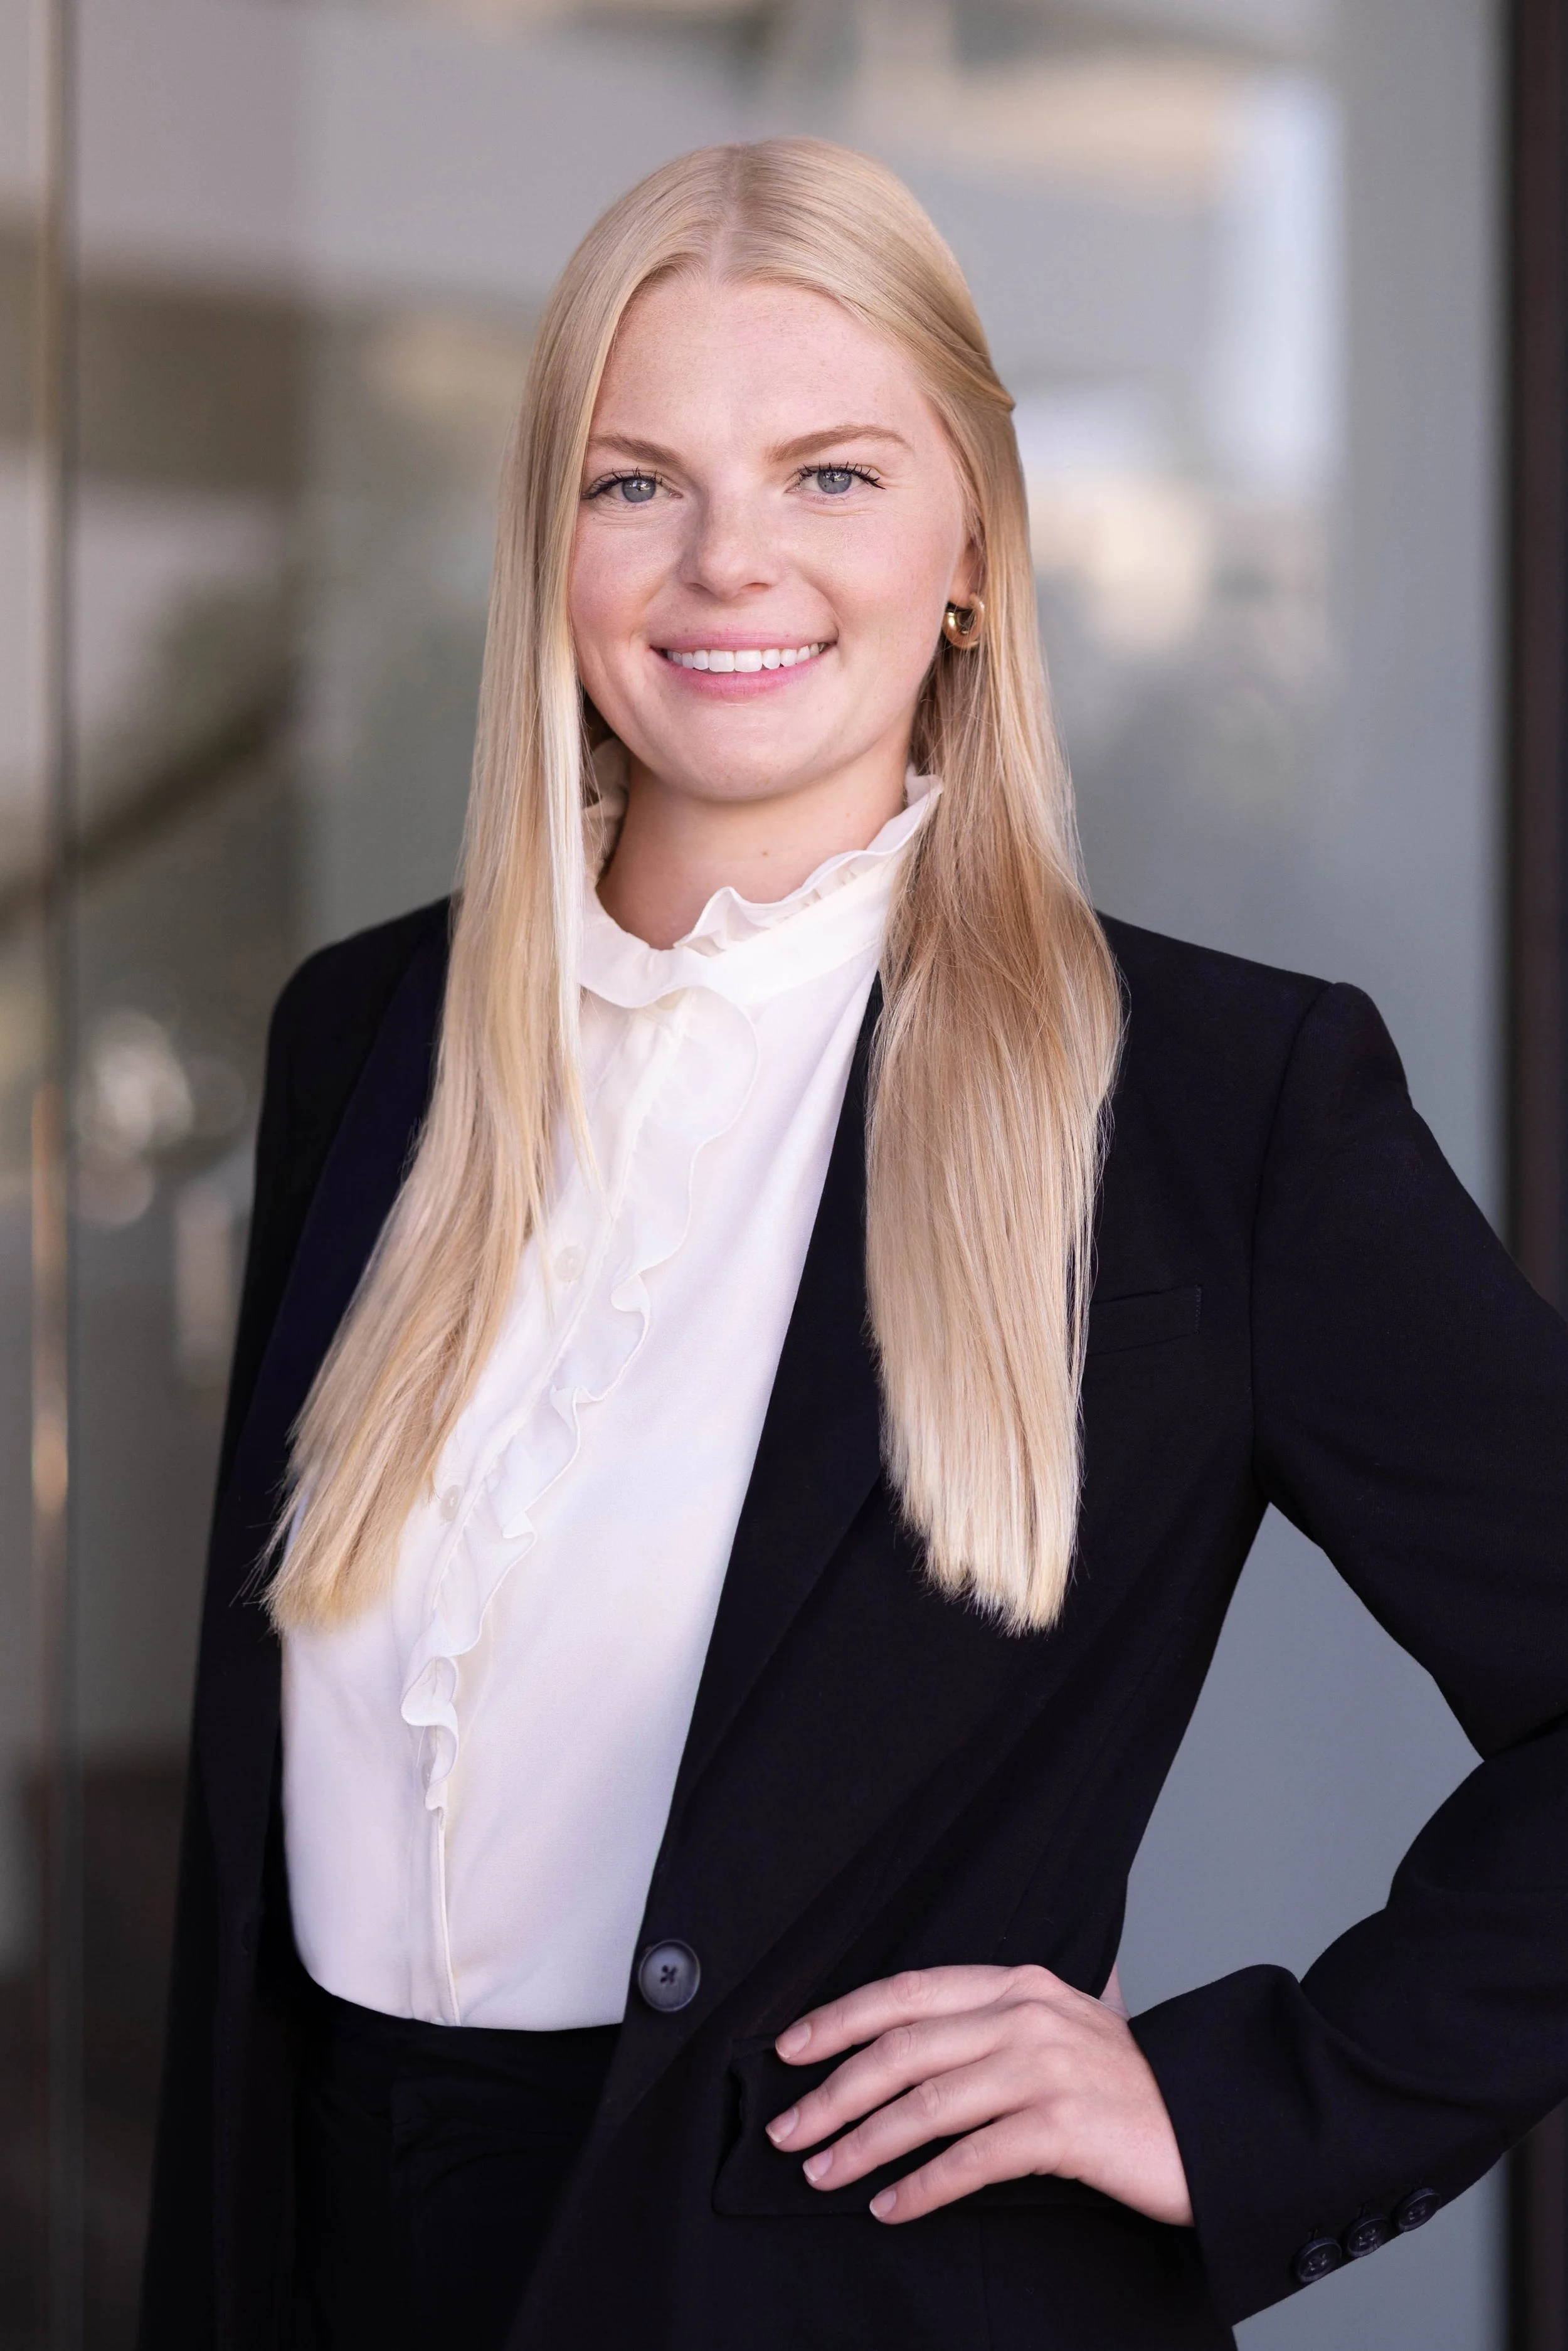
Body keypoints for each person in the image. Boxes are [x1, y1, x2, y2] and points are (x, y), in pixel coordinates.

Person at [139, 139, 1568, 2351]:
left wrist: (1242, 2103)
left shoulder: (1215, 1104)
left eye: (828, 474)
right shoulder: (366, 1039)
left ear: (968, 544)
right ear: (552, 539)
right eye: (635, 482)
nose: (729, 562)